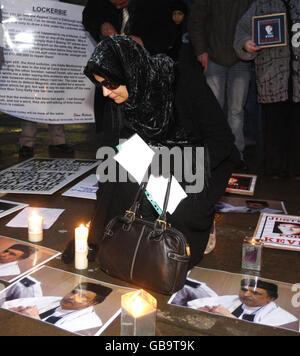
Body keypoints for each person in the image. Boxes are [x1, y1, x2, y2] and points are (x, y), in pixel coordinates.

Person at [62, 35, 239, 269]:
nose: (105, 93)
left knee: (170, 244)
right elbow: (109, 168)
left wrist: (175, 168)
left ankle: (202, 224)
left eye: (110, 84)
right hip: (153, 164)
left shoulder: (183, 81)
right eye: (101, 85)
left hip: (196, 163)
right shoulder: (117, 100)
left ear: (130, 72)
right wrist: (95, 234)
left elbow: (222, 141)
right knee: (117, 172)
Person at [82, 0, 177, 133]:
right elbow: (89, 15)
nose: (117, 6)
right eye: (113, 3)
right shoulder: (101, 5)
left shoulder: (157, 7)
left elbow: (169, 34)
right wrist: (103, 25)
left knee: (140, 131)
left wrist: (142, 43)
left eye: (121, 3)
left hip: (144, 76)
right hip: (112, 73)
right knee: (112, 131)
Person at [234, 0, 300, 179]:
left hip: (297, 80)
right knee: (273, 127)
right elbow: (241, 32)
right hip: (271, 78)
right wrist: (246, 43)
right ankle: (274, 169)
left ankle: (296, 169)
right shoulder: (261, 4)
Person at [188, 0, 253, 170]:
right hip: (215, 57)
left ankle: (236, 156)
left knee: (235, 111)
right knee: (217, 111)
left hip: (241, 58)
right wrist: (201, 50)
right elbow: (196, 20)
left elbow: (258, 19)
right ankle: (215, 156)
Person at [18, 0, 74, 160]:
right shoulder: (25, 5)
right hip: (30, 56)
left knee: (55, 100)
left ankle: (58, 140)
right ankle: (26, 143)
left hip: (52, 56)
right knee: (30, 101)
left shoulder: (55, 4)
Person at [2, 282, 112, 333]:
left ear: (93, 303)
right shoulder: (55, 300)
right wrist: (14, 310)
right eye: (73, 292)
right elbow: (7, 304)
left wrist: (35, 321)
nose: (72, 297)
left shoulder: (91, 322)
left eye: (82, 296)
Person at [188, 278, 298, 328]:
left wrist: (228, 317)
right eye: (244, 290)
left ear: (270, 298)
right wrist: (201, 310)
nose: (246, 295)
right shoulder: (233, 299)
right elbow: (193, 304)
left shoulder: (284, 318)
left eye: (255, 293)